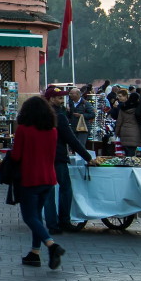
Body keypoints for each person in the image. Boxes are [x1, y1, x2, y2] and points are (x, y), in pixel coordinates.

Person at [11, 96, 67, 268]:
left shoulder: (23, 130)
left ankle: (51, 245)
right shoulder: (52, 130)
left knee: (30, 217)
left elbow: (16, 156)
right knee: (37, 215)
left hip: (30, 178)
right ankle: (35, 252)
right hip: (48, 178)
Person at [42, 86, 94, 232]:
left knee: (49, 191)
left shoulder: (40, 114)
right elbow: (71, 139)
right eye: (59, 98)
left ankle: (52, 224)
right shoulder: (59, 116)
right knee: (65, 188)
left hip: (44, 158)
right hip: (58, 157)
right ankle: (64, 220)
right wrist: (87, 157)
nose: (62, 100)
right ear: (51, 99)